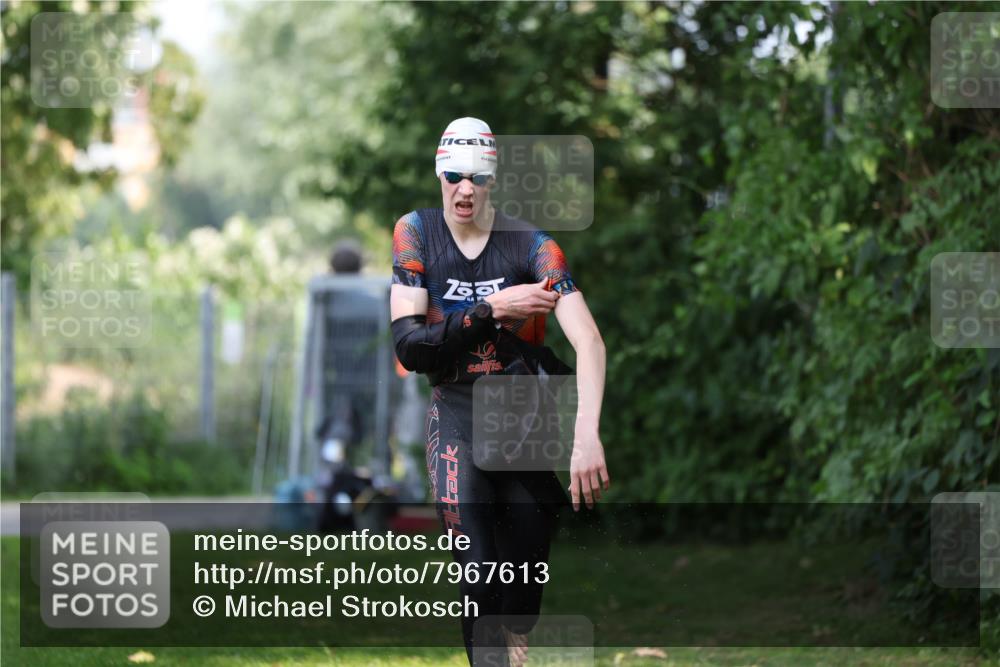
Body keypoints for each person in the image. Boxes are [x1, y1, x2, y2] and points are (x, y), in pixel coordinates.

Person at [390, 117, 610, 666]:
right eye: (455, 175)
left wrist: (587, 435)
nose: (466, 189)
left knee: (520, 598)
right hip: (457, 417)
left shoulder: (532, 246)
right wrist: (492, 311)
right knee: (479, 577)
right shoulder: (415, 233)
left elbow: (588, 342)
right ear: (440, 172)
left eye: (479, 177)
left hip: (525, 424)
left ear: (495, 178)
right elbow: (411, 350)